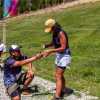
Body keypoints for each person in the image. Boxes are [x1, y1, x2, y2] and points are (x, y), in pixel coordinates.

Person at [43, 19, 73, 100]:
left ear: (54, 26)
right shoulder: (55, 33)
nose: (50, 31)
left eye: (50, 29)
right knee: (59, 74)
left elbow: (63, 47)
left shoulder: (61, 33)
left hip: (65, 55)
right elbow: (54, 42)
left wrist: (50, 51)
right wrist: (47, 45)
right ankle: (63, 89)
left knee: (58, 75)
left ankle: (57, 97)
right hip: (59, 55)